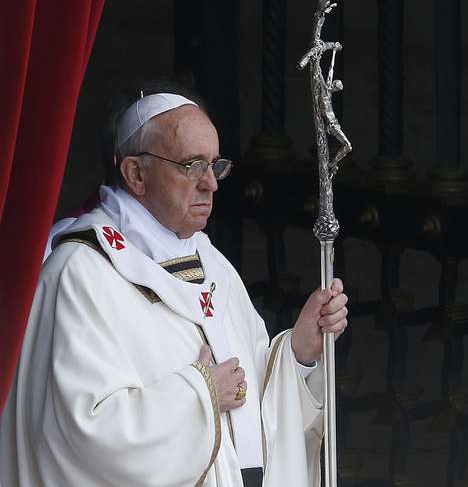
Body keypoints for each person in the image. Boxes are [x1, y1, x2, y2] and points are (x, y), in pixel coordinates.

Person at [0, 82, 348, 487]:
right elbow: (85, 432)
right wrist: (200, 395)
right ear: (135, 173)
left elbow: (251, 403)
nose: (211, 184)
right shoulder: (81, 272)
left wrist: (299, 353)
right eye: (191, 166)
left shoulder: (210, 262)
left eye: (215, 166)